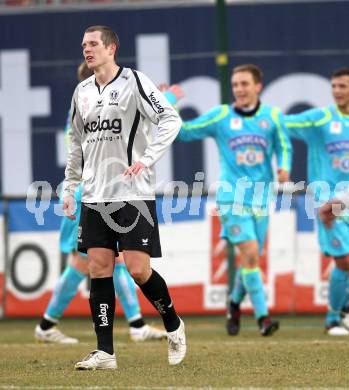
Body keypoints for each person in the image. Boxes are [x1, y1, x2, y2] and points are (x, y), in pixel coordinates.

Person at [62, 25, 186, 370]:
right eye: (84, 45)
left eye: (93, 44)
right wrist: (71, 187)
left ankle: (174, 324)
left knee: (137, 269)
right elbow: (76, 144)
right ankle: (105, 353)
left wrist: (147, 159)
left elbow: (170, 120)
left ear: (111, 48)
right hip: (94, 195)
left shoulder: (135, 82)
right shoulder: (82, 91)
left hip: (133, 193)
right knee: (98, 268)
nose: (87, 50)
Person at [34, 63, 183, 345]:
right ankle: (46, 324)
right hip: (88, 194)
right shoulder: (85, 107)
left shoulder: (95, 104)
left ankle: (136, 324)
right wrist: (170, 98)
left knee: (114, 262)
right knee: (83, 264)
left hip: (107, 191)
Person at [177, 64, 292, 337]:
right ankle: (263, 318)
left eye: (244, 84)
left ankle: (234, 303)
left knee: (250, 259)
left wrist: (284, 167)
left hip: (262, 198)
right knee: (251, 254)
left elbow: (283, 146)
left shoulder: (272, 117)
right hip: (231, 197)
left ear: (258, 86)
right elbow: (184, 132)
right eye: (236, 84)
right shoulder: (221, 116)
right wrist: (168, 107)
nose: (239, 89)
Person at [285, 67, 349, 336]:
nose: (337, 91)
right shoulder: (321, 118)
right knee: (344, 261)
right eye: (334, 86)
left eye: (342, 86)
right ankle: (333, 319)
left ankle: (343, 304)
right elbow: (286, 123)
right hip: (329, 202)